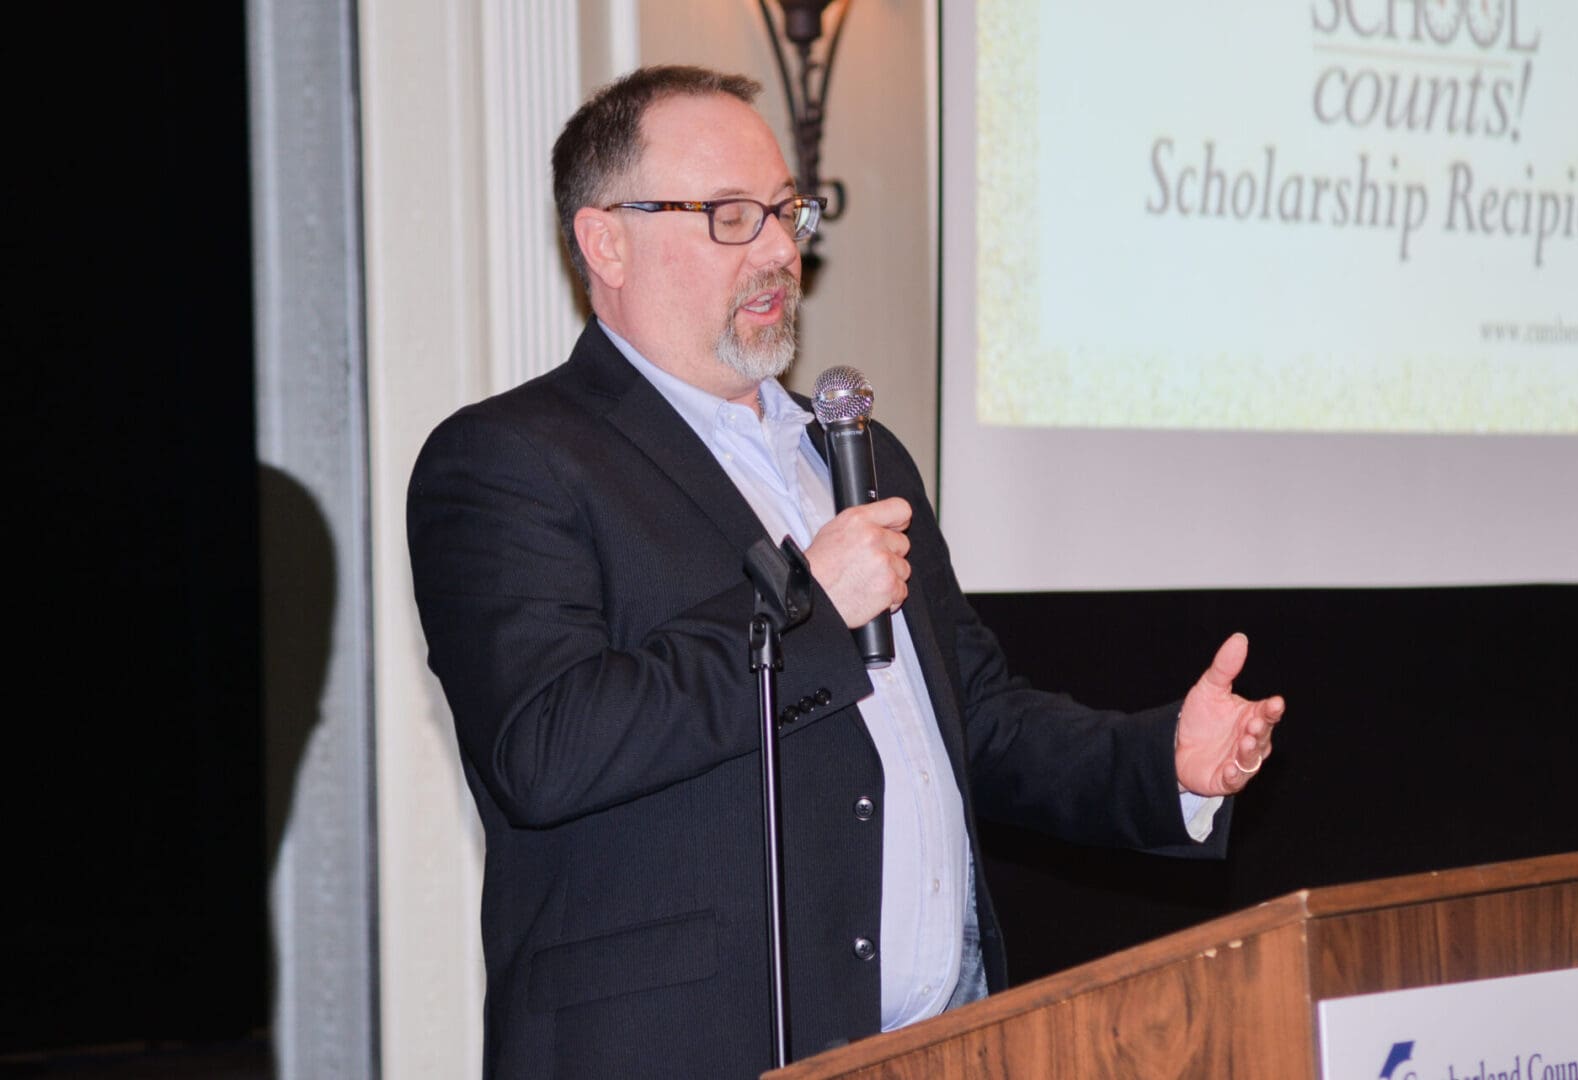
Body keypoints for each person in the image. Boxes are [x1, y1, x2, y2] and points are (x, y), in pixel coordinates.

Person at [406, 64, 1283, 1080]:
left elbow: (977, 720)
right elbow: (546, 749)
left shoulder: (855, 453)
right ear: (607, 240)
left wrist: (1157, 766)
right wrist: (806, 607)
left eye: (788, 211)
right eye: (733, 215)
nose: (783, 248)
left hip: (940, 1043)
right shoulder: (513, 459)